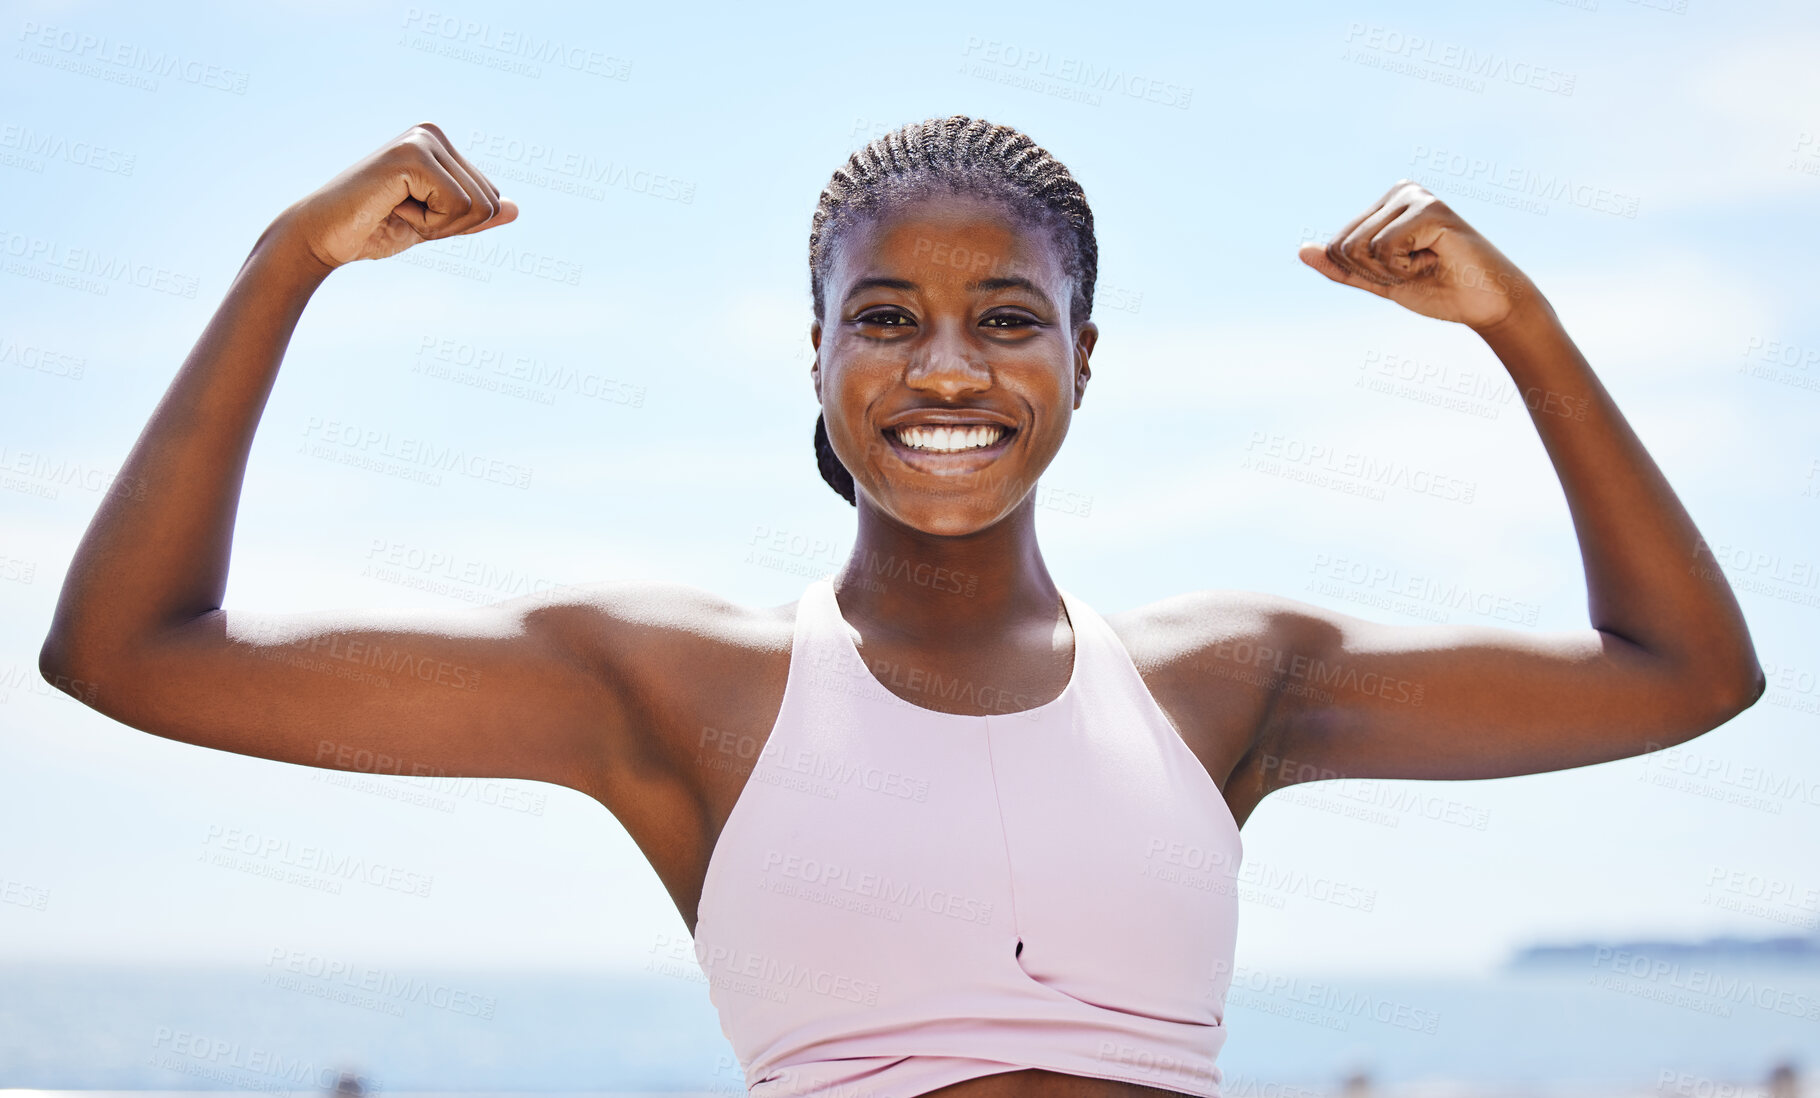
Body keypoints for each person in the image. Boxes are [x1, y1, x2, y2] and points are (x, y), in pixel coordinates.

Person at [38, 116, 1765, 1098]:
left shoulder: (1230, 680)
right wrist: (292, 260)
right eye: (887, 318)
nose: (950, 366)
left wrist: (1514, 322)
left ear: (1087, 358)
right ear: (817, 351)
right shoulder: (680, 685)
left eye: (1011, 316)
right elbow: (127, 653)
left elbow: (1685, 673)